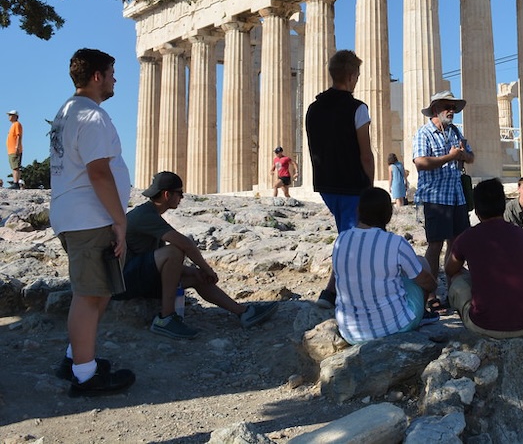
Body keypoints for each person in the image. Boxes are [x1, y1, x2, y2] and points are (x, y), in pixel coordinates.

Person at [48, 48, 135, 395]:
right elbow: (98, 173)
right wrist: (119, 221)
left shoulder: (66, 112)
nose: (115, 79)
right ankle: (84, 376)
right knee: (89, 295)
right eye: (112, 72)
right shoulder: (91, 116)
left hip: (73, 214)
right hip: (90, 217)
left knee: (96, 293)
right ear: (97, 76)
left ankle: (76, 358)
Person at [116, 171, 279, 339]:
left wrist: (197, 272)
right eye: (180, 193)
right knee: (174, 251)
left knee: (195, 275)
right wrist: (207, 269)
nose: (182, 198)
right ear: (167, 194)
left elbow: (159, 264)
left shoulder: (152, 214)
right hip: (123, 282)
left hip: (138, 277)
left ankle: (244, 312)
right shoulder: (144, 215)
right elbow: (185, 243)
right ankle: (166, 319)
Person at [305, 50, 375, 309]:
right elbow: (365, 154)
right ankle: (333, 293)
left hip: (325, 184)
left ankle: (338, 290)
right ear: (351, 75)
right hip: (351, 184)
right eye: (357, 74)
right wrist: (370, 186)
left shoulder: (312, 108)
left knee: (350, 235)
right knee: (352, 239)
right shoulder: (357, 108)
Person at [331, 187, 438, 344]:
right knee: (420, 263)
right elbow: (425, 281)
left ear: (358, 210)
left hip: (350, 332)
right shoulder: (395, 243)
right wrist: (434, 286)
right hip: (392, 327)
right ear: (388, 214)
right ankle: (421, 314)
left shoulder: (341, 239)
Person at [445, 178, 523, 338]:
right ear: (503, 206)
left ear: (477, 210)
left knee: (458, 279)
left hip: (484, 325)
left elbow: (450, 269)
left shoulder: (467, 237)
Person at [413, 90, 474, 312]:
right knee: (435, 244)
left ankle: (452, 290)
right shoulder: (424, 133)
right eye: (448, 106)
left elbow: (471, 156)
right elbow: (420, 162)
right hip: (435, 196)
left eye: (454, 107)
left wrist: (462, 155)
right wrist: (450, 156)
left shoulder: (456, 131)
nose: (452, 110)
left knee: (457, 244)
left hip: (456, 195)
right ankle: (430, 293)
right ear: (436, 109)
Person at [7, 110, 23, 188]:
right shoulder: (13, 125)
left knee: (15, 166)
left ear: (15, 116)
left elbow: (18, 136)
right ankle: (15, 182)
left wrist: (17, 146)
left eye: (11, 115)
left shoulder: (17, 124)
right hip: (11, 150)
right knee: (13, 166)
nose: (9, 116)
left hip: (14, 149)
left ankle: (16, 183)